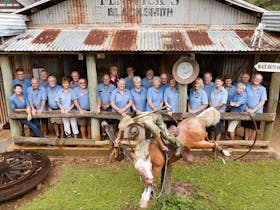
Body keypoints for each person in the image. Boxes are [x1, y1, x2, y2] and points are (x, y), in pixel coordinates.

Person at [243, 73, 267, 141]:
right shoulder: (247, 87)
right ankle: (246, 141)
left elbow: (262, 102)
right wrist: (247, 109)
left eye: (259, 79)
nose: (257, 80)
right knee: (246, 126)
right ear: (253, 78)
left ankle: (251, 142)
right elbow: (243, 98)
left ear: (261, 81)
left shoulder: (262, 89)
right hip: (247, 110)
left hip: (257, 111)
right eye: (256, 78)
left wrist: (253, 110)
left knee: (254, 127)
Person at [96, 74, 116, 140]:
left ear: (109, 79)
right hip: (101, 107)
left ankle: (110, 135)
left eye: (107, 79)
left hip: (110, 108)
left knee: (110, 122)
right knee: (103, 121)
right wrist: (101, 105)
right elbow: (97, 97)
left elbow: (114, 97)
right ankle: (103, 134)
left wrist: (108, 105)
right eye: (104, 79)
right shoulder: (99, 86)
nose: (106, 80)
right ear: (102, 79)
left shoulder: (113, 87)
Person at [12, 68, 31, 136]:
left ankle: (30, 131)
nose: (21, 75)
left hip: (27, 100)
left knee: (29, 116)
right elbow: (13, 92)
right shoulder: (14, 82)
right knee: (21, 117)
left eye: (22, 74)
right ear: (16, 75)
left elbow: (30, 91)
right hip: (19, 101)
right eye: (19, 74)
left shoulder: (28, 81)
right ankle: (22, 131)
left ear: (24, 74)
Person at [209, 76, 228, 141]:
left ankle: (217, 143)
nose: (217, 82)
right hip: (212, 111)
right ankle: (212, 141)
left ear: (222, 83)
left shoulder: (224, 92)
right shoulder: (213, 90)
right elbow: (210, 100)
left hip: (220, 112)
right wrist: (212, 108)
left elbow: (222, 103)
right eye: (216, 81)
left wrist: (214, 109)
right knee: (212, 128)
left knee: (218, 128)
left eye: (219, 81)